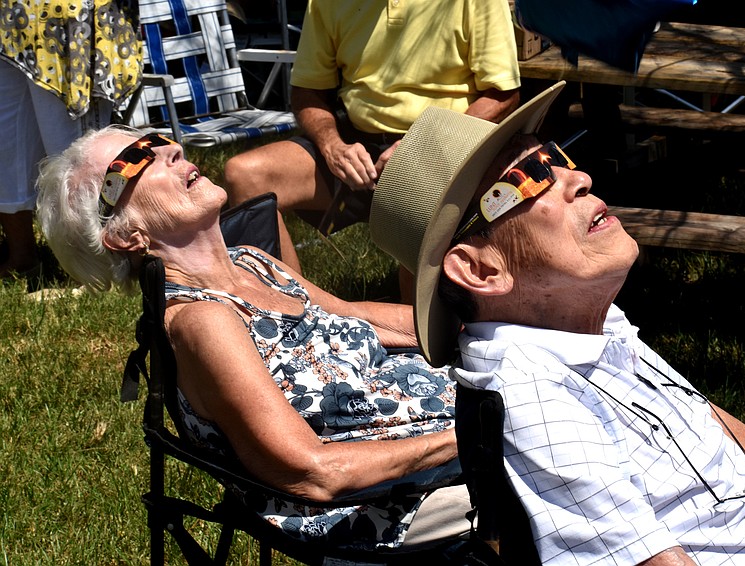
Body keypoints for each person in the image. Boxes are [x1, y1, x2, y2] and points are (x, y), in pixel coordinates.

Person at [369, 82, 745, 565]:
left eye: (557, 157)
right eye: (528, 177)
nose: (578, 179)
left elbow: (725, 435)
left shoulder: (586, 321)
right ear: (481, 270)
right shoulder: (534, 398)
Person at [34, 125, 473, 552]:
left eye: (160, 140)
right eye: (136, 160)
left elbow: (358, 318)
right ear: (124, 235)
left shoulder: (252, 263)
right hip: (388, 503)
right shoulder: (201, 321)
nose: (170, 151)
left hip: (458, 427)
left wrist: (489, 322)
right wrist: (480, 435)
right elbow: (314, 472)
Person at [223, 0, 522, 273]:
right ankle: (291, 311)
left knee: (415, 241)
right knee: (246, 176)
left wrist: (426, 143)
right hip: (357, 147)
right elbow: (307, 91)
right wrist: (333, 147)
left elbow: (502, 95)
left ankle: (416, 325)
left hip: (442, 147)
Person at [0, 0, 142, 282]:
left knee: (80, 160)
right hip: (11, 19)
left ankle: (99, 269)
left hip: (72, 17)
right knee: (7, 148)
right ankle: (22, 257)